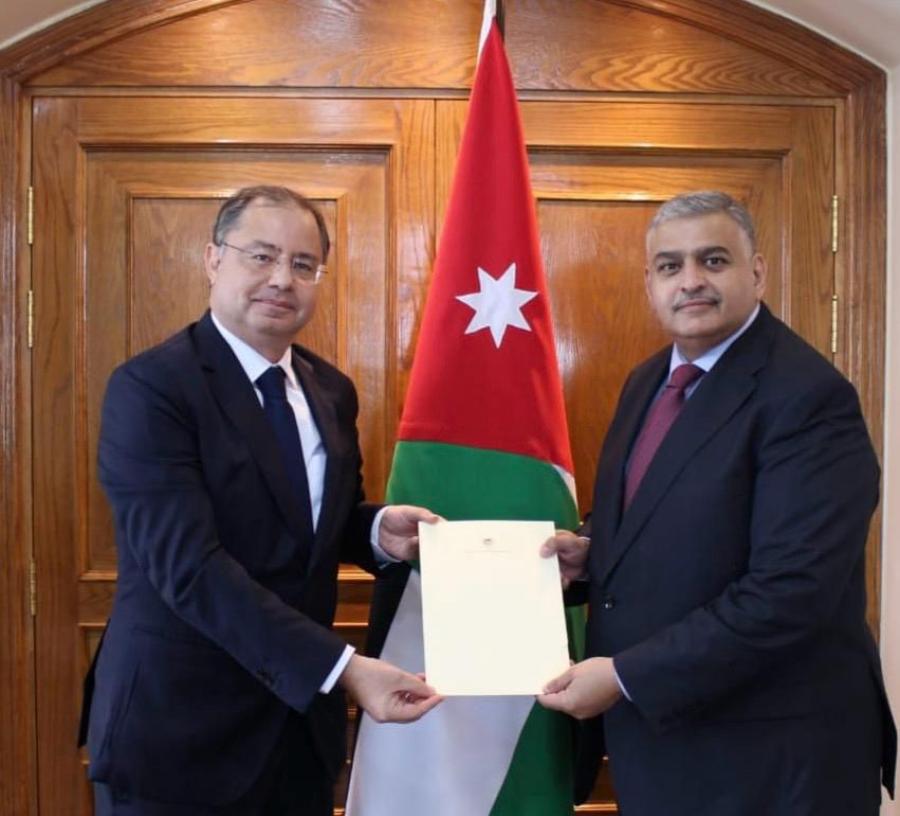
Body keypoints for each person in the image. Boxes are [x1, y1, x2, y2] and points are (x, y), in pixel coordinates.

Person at [80, 185, 442, 816]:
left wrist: (377, 530)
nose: (281, 279)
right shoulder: (152, 388)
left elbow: (312, 524)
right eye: (261, 256)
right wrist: (343, 669)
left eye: (303, 264)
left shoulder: (331, 390)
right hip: (181, 737)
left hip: (297, 735)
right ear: (213, 259)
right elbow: (188, 568)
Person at [538, 191, 896, 815]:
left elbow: (790, 592)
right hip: (667, 744)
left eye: (713, 260)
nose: (691, 281)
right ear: (649, 282)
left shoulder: (809, 397)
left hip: (772, 759)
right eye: (670, 266)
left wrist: (624, 676)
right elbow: (668, 513)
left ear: (757, 272)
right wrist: (593, 551)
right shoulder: (648, 380)